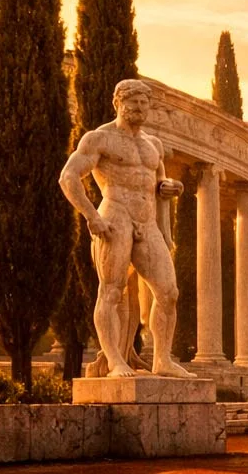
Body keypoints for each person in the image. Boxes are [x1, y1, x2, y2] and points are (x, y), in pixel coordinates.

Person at [58, 78, 192, 379]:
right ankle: (115, 360)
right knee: (111, 291)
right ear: (117, 103)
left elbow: (158, 184)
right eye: (133, 102)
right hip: (115, 217)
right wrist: (91, 216)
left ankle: (162, 360)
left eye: (144, 103)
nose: (139, 107)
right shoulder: (99, 139)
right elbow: (68, 177)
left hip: (147, 222)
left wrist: (169, 187)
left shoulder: (153, 145)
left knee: (168, 292)